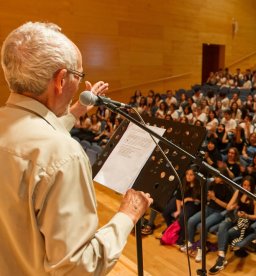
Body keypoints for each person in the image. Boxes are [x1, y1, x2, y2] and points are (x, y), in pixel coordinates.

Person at [0, 22, 153, 275]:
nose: (80, 84)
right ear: (61, 79)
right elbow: (79, 267)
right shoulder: (63, 155)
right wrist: (127, 216)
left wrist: (76, 111)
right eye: (78, 76)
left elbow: (34, 133)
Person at [209, 177, 256, 273]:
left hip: (245, 222)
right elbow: (228, 207)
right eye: (244, 185)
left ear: (252, 187)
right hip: (235, 217)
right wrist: (233, 206)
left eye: (249, 186)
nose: (246, 188)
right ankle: (221, 258)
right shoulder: (238, 192)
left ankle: (220, 260)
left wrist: (247, 215)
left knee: (227, 233)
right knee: (222, 226)